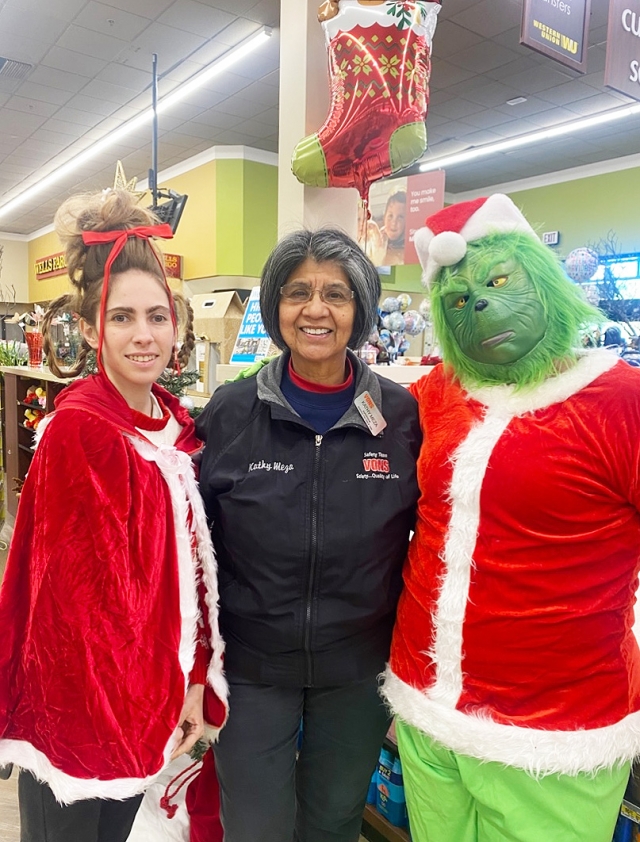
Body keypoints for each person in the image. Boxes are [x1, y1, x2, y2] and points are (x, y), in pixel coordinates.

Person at [382, 194, 640, 842]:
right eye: (459, 300)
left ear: (543, 280)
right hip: (425, 710)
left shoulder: (620, 402)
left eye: (499, 282)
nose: (483, 307)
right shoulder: (438, 392)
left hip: (553, 736)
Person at [0, 189, 227, 842]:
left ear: (176, 325)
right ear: (96, 327)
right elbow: (67, 611)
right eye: (123, 316)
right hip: (76, 720)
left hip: (146, 708)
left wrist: (189, 686)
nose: (143, 334)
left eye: (156, 316)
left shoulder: (175, 426)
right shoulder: (80, 430)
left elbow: (187, 579)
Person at [196, 228, 421, 842]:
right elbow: (194, 546)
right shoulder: (232, 411)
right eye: (297, 293)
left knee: (334, 820)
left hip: (357, 666)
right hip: (250, 663)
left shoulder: (401, 416)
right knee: (255, 825)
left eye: (337, 295)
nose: (316, 310)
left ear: (361, 311)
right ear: (275, 309)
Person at [381, 191, 406, 266]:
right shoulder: (378, 240)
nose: (393, 223)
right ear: (384, 217)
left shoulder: (406, 248)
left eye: (400, 217)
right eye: (390, 216)